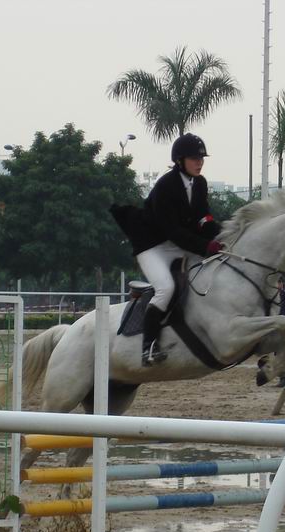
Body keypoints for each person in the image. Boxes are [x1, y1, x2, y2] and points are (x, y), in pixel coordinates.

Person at [110, 133, 224, 366]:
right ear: (180, 160)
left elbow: (203, 216)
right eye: (194, 158)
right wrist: (204, 246)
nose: (200, 162)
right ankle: (148, 347)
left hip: (180, 245)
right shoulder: (166, 186)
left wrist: (220, 236)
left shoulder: (199, 183)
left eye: (201, 158)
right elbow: (173, 231)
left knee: (215, 267)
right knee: (166, 288)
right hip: (153, 247)